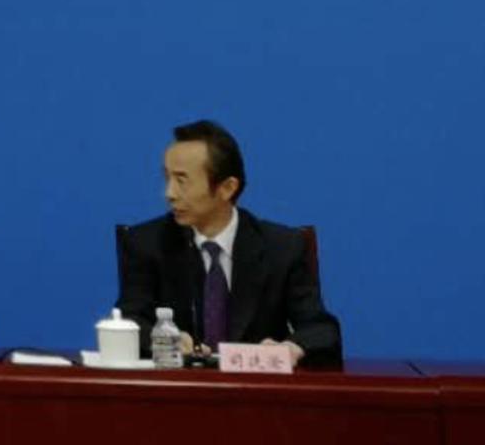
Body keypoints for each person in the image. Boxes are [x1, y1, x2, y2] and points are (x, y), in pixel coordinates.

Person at [116, 119, 341, 363]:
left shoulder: (282, 248)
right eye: (167, 177)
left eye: (182, 181)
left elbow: (321, 330)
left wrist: (290, 348)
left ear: (227, 188)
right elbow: (130, 320)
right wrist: (161, 339)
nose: (169, 193)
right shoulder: (147, 243)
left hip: (255, 385)